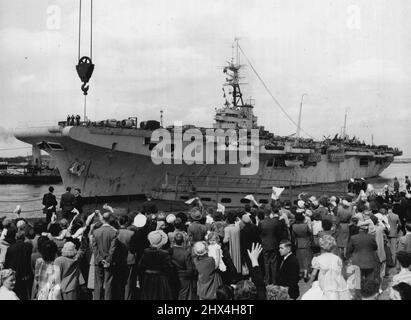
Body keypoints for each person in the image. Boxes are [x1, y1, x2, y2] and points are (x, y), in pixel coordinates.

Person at [308, 235, 351, 300]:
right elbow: (342, 271)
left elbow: (314, 274)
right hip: (337, 281)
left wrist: (310, 282)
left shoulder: (318, 259)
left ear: (321, 247)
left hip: (325, 281)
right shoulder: (337, 258)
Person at [91, 211, 119, 300]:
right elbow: (112, 248)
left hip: (98, 261)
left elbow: (94, 248)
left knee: (98, 284)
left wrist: (99, 258)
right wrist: (108, 260)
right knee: (108, 283)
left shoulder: (96, 232)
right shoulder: (114, 232)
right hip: (109, 262)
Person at [138, 230, 174, 300]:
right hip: (160, 278)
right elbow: (169, 268)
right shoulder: (164, 253)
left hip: (148, 278)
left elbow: (140, 266)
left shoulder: (146, 252)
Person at [4, 229, 33, 300]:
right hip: (26, 274)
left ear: (16, 238)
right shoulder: (28, 246)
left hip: (15, 274)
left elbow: (7, 263)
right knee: (25, 295)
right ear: (24, 238)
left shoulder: (10, 248)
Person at [258, 208, 283, 285]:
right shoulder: (275, 222)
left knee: (266, 263)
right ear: (270, 213)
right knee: (274, 263)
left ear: (264, 214)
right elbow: (278, 234)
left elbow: (259, 233)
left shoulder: (261, 222)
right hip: (274, 244)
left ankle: (267, 280)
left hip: (264, 244)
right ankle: (274, 280)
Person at [170, 232, 197, 300]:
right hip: (183, 278)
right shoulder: (186, 253)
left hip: (172, 276)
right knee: (184, 296)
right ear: (183, 241)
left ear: (174, 241)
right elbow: (190, 270)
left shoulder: (169, 251)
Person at [291, 211, 312, 282]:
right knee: (306, 258)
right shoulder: (305, 226)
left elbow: (293, 236)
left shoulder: (293, 226)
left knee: (299, 258)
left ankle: (300, 273)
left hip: (298, 243)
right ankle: (306, 273)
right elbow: (310, 232)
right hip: (305, 242)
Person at [223, 211, 242, 275]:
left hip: (230, 248)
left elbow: (226, 240)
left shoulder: (227, 229)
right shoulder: (238, 228)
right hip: (237, 247)